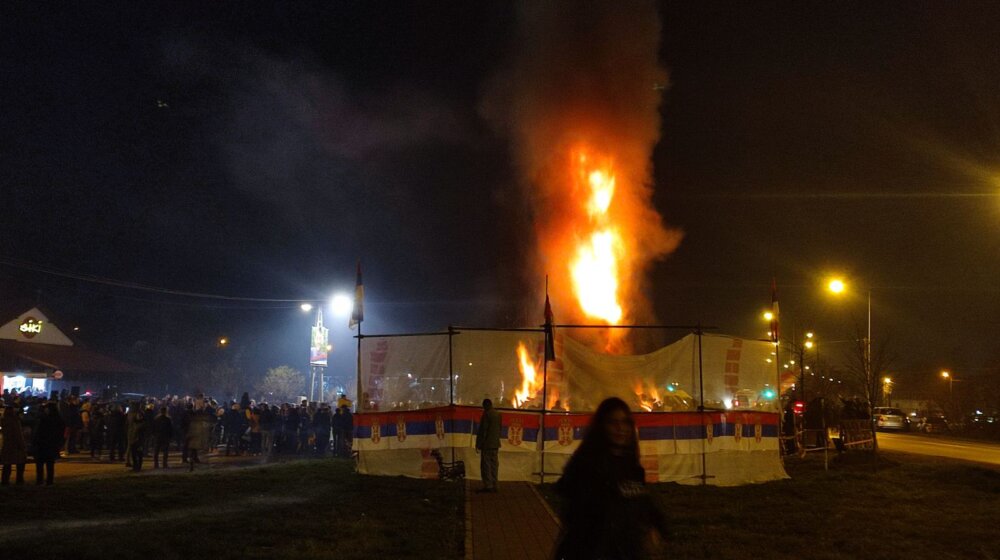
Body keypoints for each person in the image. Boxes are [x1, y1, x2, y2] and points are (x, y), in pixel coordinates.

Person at [553, 397, 668, 560]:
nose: (620, 428)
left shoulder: (632, 468)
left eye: (625, 422)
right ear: (601, 426)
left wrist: (654, 525)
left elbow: (640, 500)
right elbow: (576, 513)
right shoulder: (587, 465)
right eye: (613, 423)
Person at [33, 402, 65, 485]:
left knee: (41, 463)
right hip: (51, 444)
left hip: (43, 444)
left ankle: (40, 480)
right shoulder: (58, 419)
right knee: (49, 463)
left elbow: (38, 432)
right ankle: (49, 480)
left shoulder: (44, 419)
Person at [475, 398, 501, 493]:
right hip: (495, 444)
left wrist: (479, 444)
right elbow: (500, 429)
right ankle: (495, 484)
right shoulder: (498, 414)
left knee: (486, 466)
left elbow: (483, 431)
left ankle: (488, 486)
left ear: (486, 405)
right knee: (494, 465)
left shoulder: (486, 414)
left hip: (487, 445)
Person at [1, 405, 28, 485]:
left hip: (7, 445)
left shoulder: (3, 421)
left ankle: (5, 480)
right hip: (16, 446)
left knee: (7, 464)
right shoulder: (15, 421)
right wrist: (23, 445)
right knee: (20, 463)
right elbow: (18, 434)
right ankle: (19, 480)